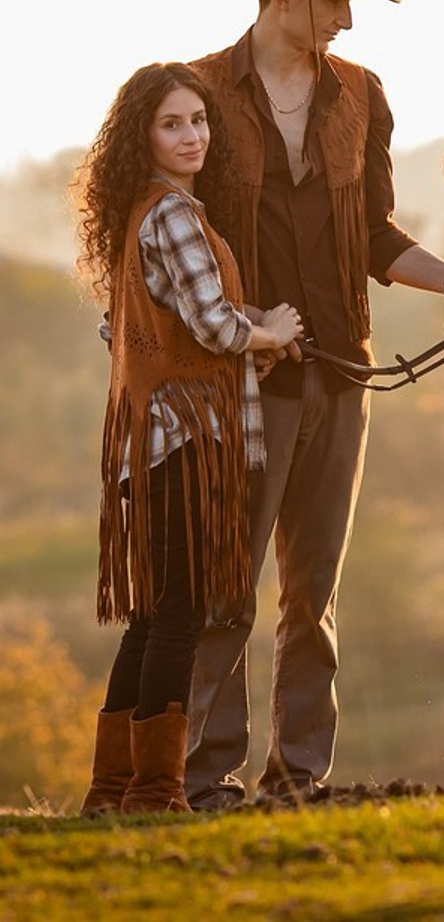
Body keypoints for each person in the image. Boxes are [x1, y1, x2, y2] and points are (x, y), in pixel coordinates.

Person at [183, 0, 444, 809]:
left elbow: (377, 237)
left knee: (314, 594)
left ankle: (298, 775)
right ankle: (205, 776)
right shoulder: (193, 95)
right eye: (337, 0)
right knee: (228, 584)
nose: (346, 19)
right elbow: (170, 232)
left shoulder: (362, 95)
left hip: (341, 375)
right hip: (238, 376)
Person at [73, 62, 304, 816]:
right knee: (179, 618)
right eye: (172, 124)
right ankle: (155, 792)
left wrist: (250, 343)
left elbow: (131, 331)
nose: (191, 136)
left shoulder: (140, 213)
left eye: (198, 121)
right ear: (143, 135)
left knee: (151, 617)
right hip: (189, 443)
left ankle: (113, 790)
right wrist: (265, 328)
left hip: (151, 442)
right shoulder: (174, 216)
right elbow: (210, 324)